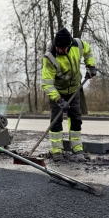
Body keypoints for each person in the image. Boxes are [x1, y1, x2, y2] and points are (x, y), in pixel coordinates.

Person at [40, 26, 97, 162]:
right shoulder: (50, 57)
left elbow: (88, 51)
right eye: (58, 47)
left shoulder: (78, 45)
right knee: (56, 120)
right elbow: (47, 84)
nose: (60, 50)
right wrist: (59, 100)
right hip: (58, 92)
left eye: (63, 48)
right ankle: (57, 150)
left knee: (76, 118)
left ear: (69, 44)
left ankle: (77, 148)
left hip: (74, 90)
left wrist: (91, 66)